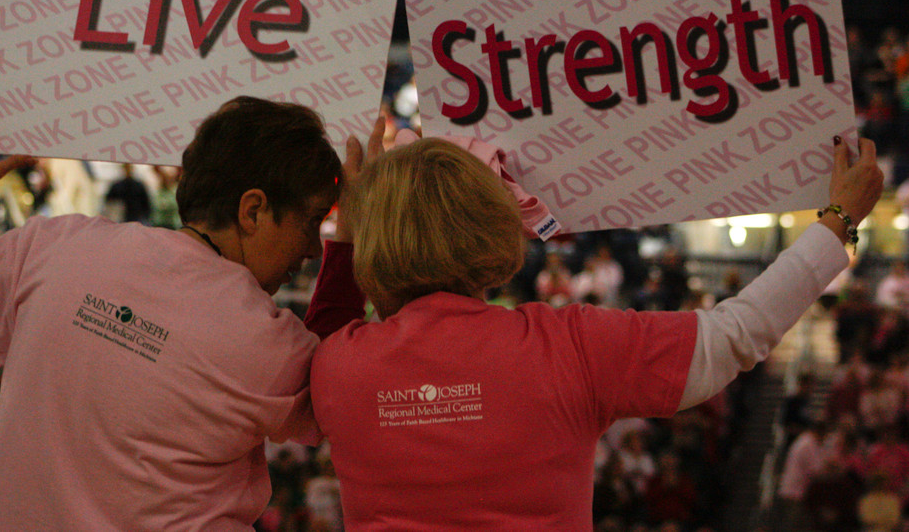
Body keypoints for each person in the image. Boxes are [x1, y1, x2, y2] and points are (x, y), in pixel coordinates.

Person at [310, 134, 883, 530]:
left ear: (373, 241)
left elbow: (320, 337)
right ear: (489, 225)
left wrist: (347, 236)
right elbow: (736, 335)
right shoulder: (567, 345)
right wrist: (839, 223)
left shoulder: (337, 367)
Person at [0, 83, 380, 530]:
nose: (313, 250)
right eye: (312, 223)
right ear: (252, 210)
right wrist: (351, 241)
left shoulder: (56, 247)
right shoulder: (263, 341)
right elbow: (334, 391)